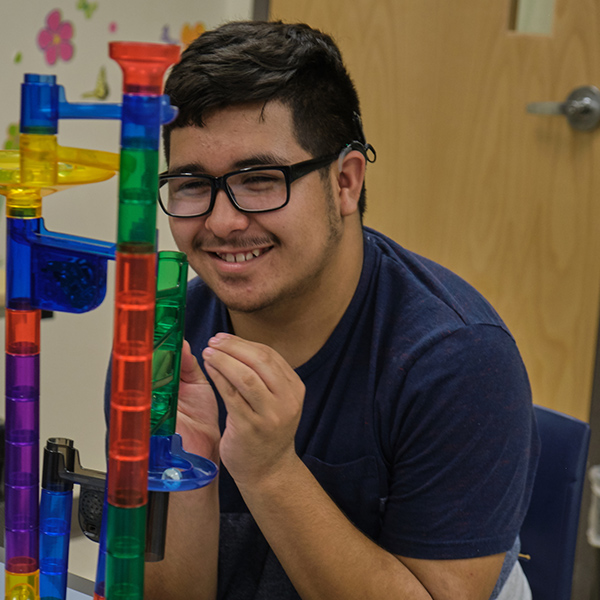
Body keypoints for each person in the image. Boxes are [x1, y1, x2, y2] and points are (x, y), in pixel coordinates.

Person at [143, 20, 540, 600]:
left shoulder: (458, 361)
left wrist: (271, 471)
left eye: (260, 180)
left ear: (345, 182)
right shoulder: (164, 345)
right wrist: (190, 472)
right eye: (192, 185)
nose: (223, 222)